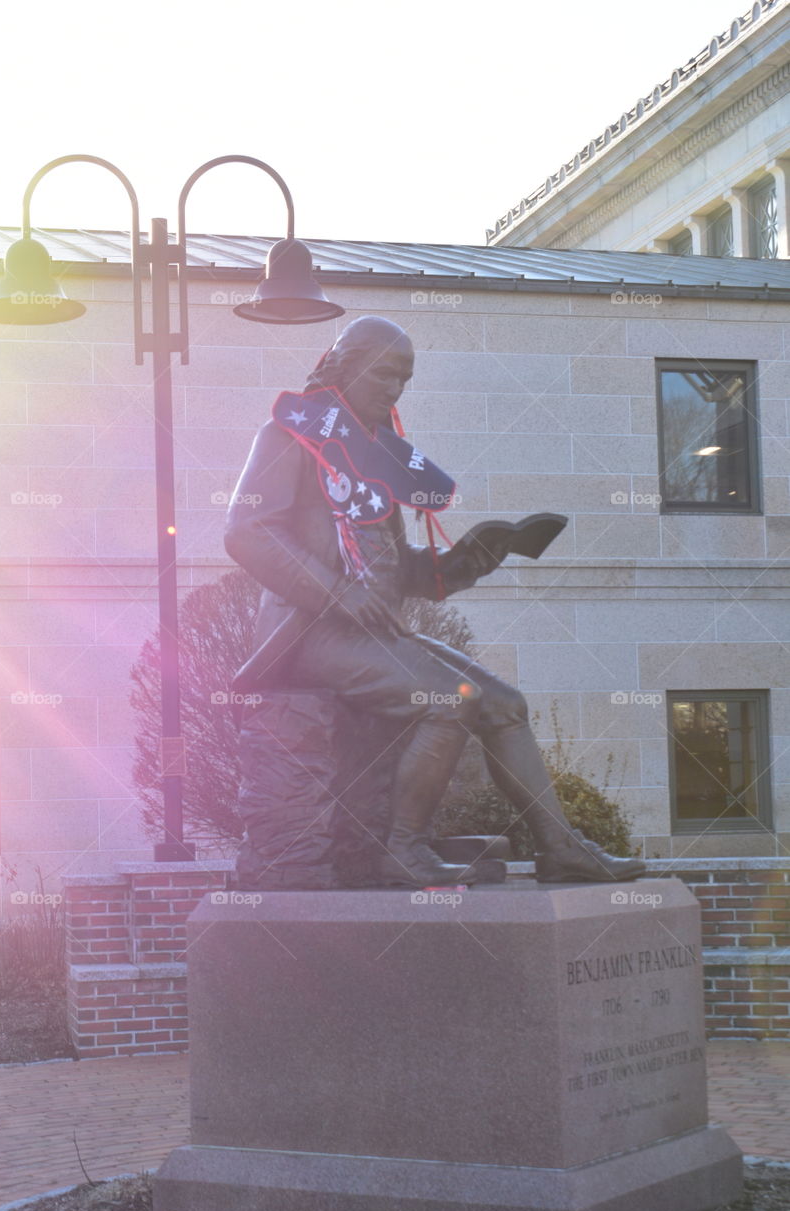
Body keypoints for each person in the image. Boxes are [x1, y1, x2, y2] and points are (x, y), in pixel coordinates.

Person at [225, 315, 645, 888]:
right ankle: (403, 850)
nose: (396, 390)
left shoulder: (373, 459)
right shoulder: (289, 435)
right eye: (386, 376)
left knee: (505, 704)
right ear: (347, 369)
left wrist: (474, 556)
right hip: (312, 633)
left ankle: (562, 848)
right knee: (450, 698)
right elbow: (247, 530)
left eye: (406, 379)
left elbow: (405, 572)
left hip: (376, 632)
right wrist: (336, 591)